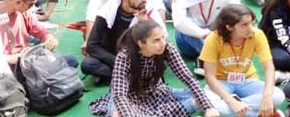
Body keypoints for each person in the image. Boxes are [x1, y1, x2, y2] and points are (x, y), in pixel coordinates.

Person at [90, 20, 219, 117]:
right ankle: (187, 106)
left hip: (156, 91)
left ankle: (190, 105)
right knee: (120, 114)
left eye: (163, 38)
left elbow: (187, 77)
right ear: (141, 43)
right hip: (130, 96)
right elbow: (119, 94)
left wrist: (208, 107)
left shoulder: (167, 49)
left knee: (205, 96)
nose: (162, 43)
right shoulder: (125, 56)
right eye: (156, 40)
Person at [200, 4, 286, 117]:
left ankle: (242, 109)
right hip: (221, 82)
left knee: (278, 96)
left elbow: (269, 67)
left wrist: (267, 97)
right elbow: (209, 76)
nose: (250, 27)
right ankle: (259, 114)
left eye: (251, 22)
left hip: (247, 80)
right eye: (244, 25)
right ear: (229, 27)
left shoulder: (257, 35)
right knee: (210, 104)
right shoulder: (213, 38)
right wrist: (231, 101)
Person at [0, 0, 77, 75]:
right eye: (30, 4)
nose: (32, 7)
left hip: (25, 59)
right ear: (18, 2)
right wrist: (13, 58)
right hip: (6, 68)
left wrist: (49, 37)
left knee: (71, 61)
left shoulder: (22, 11)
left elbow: (39, 29)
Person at [172, 0, 240, 69]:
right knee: (185, 25)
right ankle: (218, 58)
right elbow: (179, 22)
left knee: (236, 18)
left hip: (215, 36)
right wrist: (205, 34)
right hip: (190, 41)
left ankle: (204, 59)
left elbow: (239, 9)